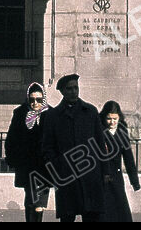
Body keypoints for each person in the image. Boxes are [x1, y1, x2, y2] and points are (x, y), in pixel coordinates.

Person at [40, 74, 112, 222]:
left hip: (90, 175)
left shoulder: (90, 112)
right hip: (66, 177)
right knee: (67, 216)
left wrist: (105, 171)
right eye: (69, 89)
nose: (73, 92)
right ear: (62, 92)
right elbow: (47, 147)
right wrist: (57, 167)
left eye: (76, 88)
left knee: (92, 216)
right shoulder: (53, 116)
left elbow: (100, 143)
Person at [4, 82, 51, 222]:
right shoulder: (20, 113)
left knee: (40, 203)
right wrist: (13, 158)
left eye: (39, 100)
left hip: (44, 166)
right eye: (32, 99)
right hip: (27, 164)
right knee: (30, 199)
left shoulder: (51, 114)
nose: (35, 103)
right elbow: (12, 138)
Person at [99, 101, 140, 222]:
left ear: (119, 117)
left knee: (120, 209)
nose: (112, 122)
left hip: (116, 176)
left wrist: (134, 181)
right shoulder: (98, 131)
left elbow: (128, 158)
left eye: (115, 119)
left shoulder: (122, 132)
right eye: (109, 119)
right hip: (102, 177)